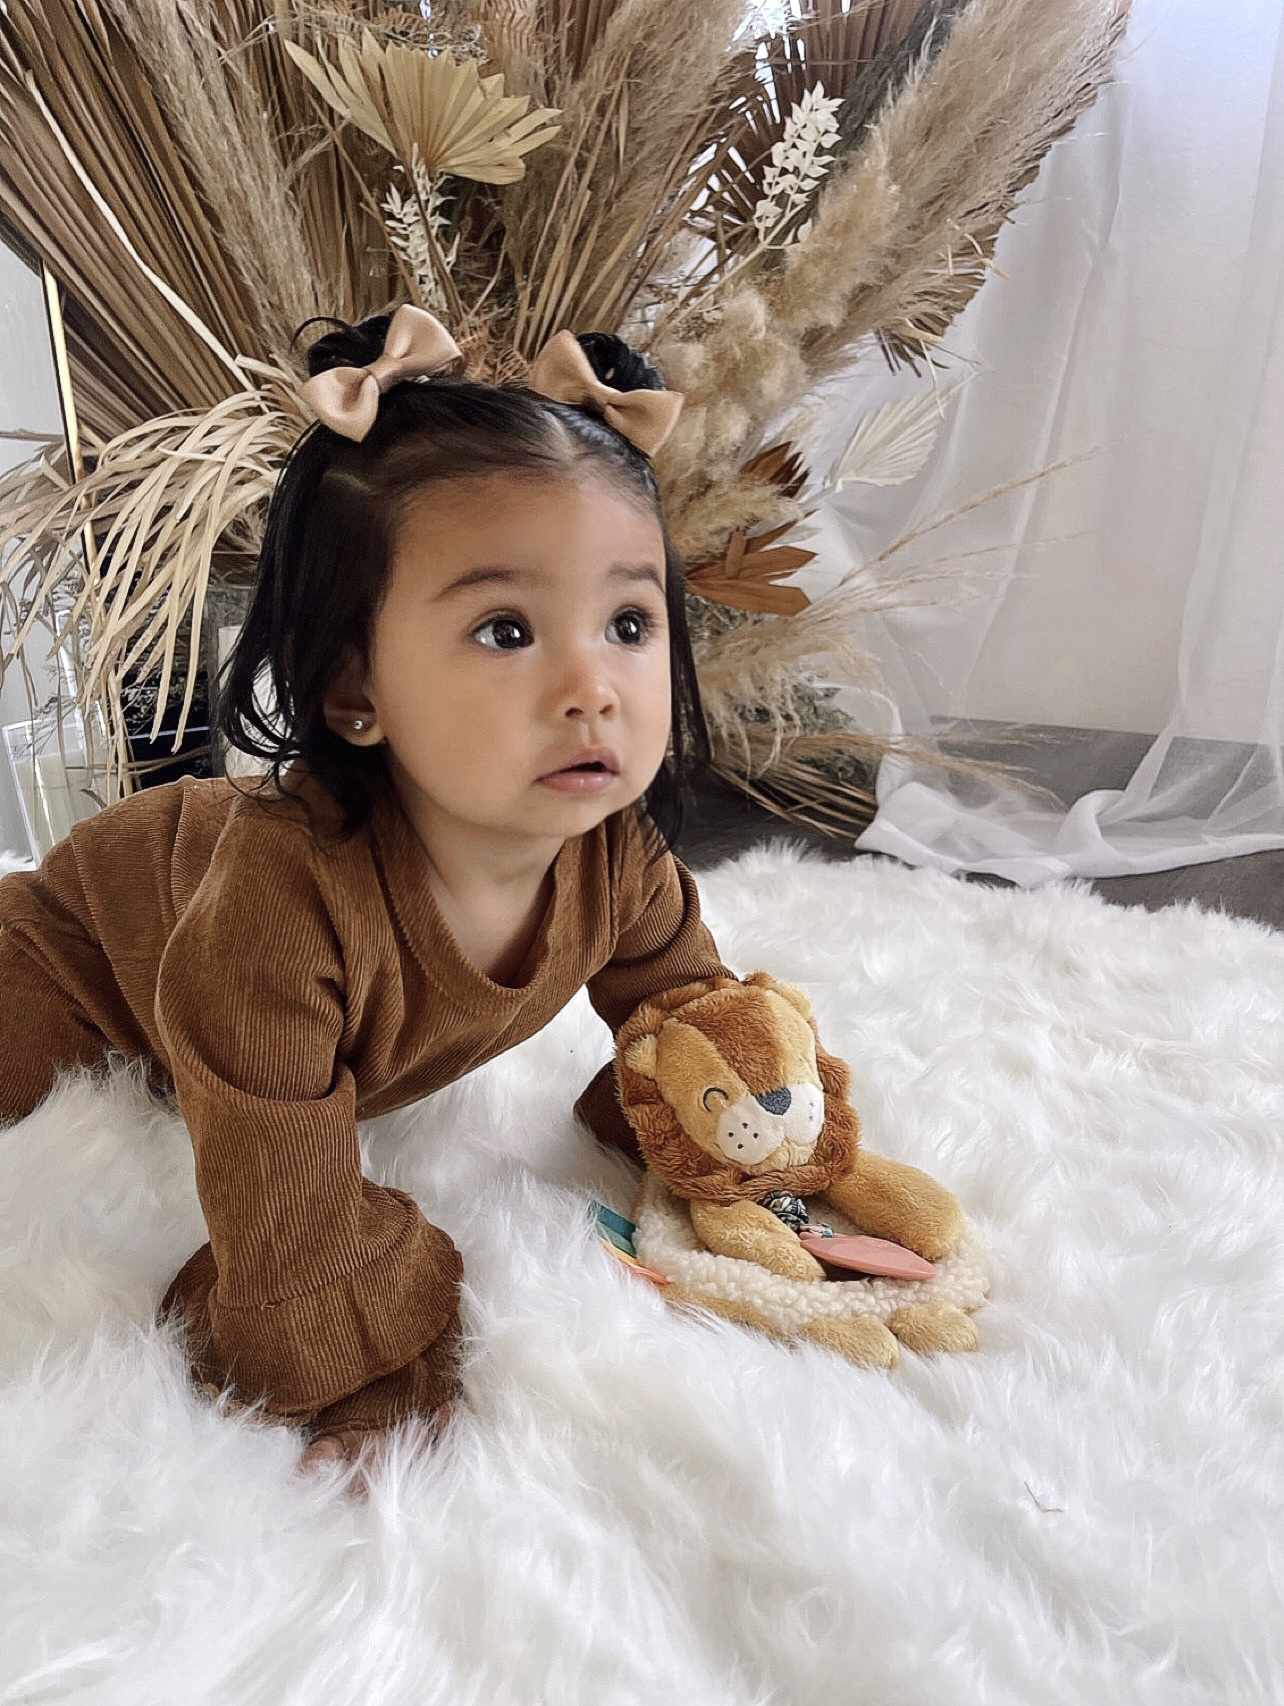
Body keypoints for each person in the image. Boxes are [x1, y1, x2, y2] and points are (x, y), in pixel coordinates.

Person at [0, 306, 735, 1471]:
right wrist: (352, 1339)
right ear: (356, 691)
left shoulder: (616, 856)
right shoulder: (280, 911)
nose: (593, 684)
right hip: (78, 952)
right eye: (506, 629)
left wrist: (725, 1124)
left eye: (629, 621)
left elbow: (683, 1006)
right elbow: (282, 1212)